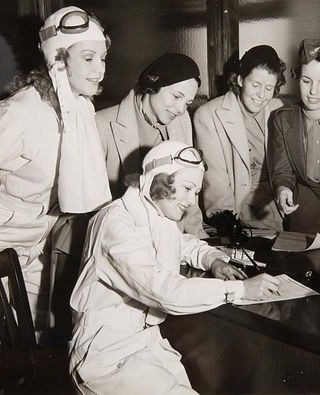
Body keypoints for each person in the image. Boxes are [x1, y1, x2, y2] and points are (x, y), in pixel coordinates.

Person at [69, 140, 281, 393]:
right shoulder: (116, 223)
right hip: (104, 355)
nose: (192, 201)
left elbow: (183, 244)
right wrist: (241, 290)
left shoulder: (154, 213)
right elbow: (164, 291)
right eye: (187, 188)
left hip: (143, 344)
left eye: (196, 191)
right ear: (157, 180)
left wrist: (213, 260)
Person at [0, 6, 111, 331]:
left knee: (46, 335)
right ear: (58, 60)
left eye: (102, 58)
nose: (99, 70)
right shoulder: (21, 113)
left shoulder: (81, 111)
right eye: (88, 58)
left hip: (39, 245)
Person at [96, 53, 206, 238]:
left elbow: (189, 186)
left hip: (170, 237)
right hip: (119, 237)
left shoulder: (182, 121)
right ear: (152, 85)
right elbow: (95, 205)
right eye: (176, 96)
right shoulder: (101, 124)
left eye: (187, 103)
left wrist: (200, 239)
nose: (180, 109)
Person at [194, 45, 286, 230]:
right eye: (256, 85)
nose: (261, 95)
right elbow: (216, 181)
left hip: (280, 199)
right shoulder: (209, 115)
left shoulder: (279, 108)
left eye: (269, 87)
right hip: (241, 204)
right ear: (241, 79)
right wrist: (228, 224)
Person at [267, 39, 320, 243]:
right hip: (301, 224)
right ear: (296, 78)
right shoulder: (282, 119)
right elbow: (282, 170)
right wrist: (282, 189)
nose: (313, 91)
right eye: (306, 81)